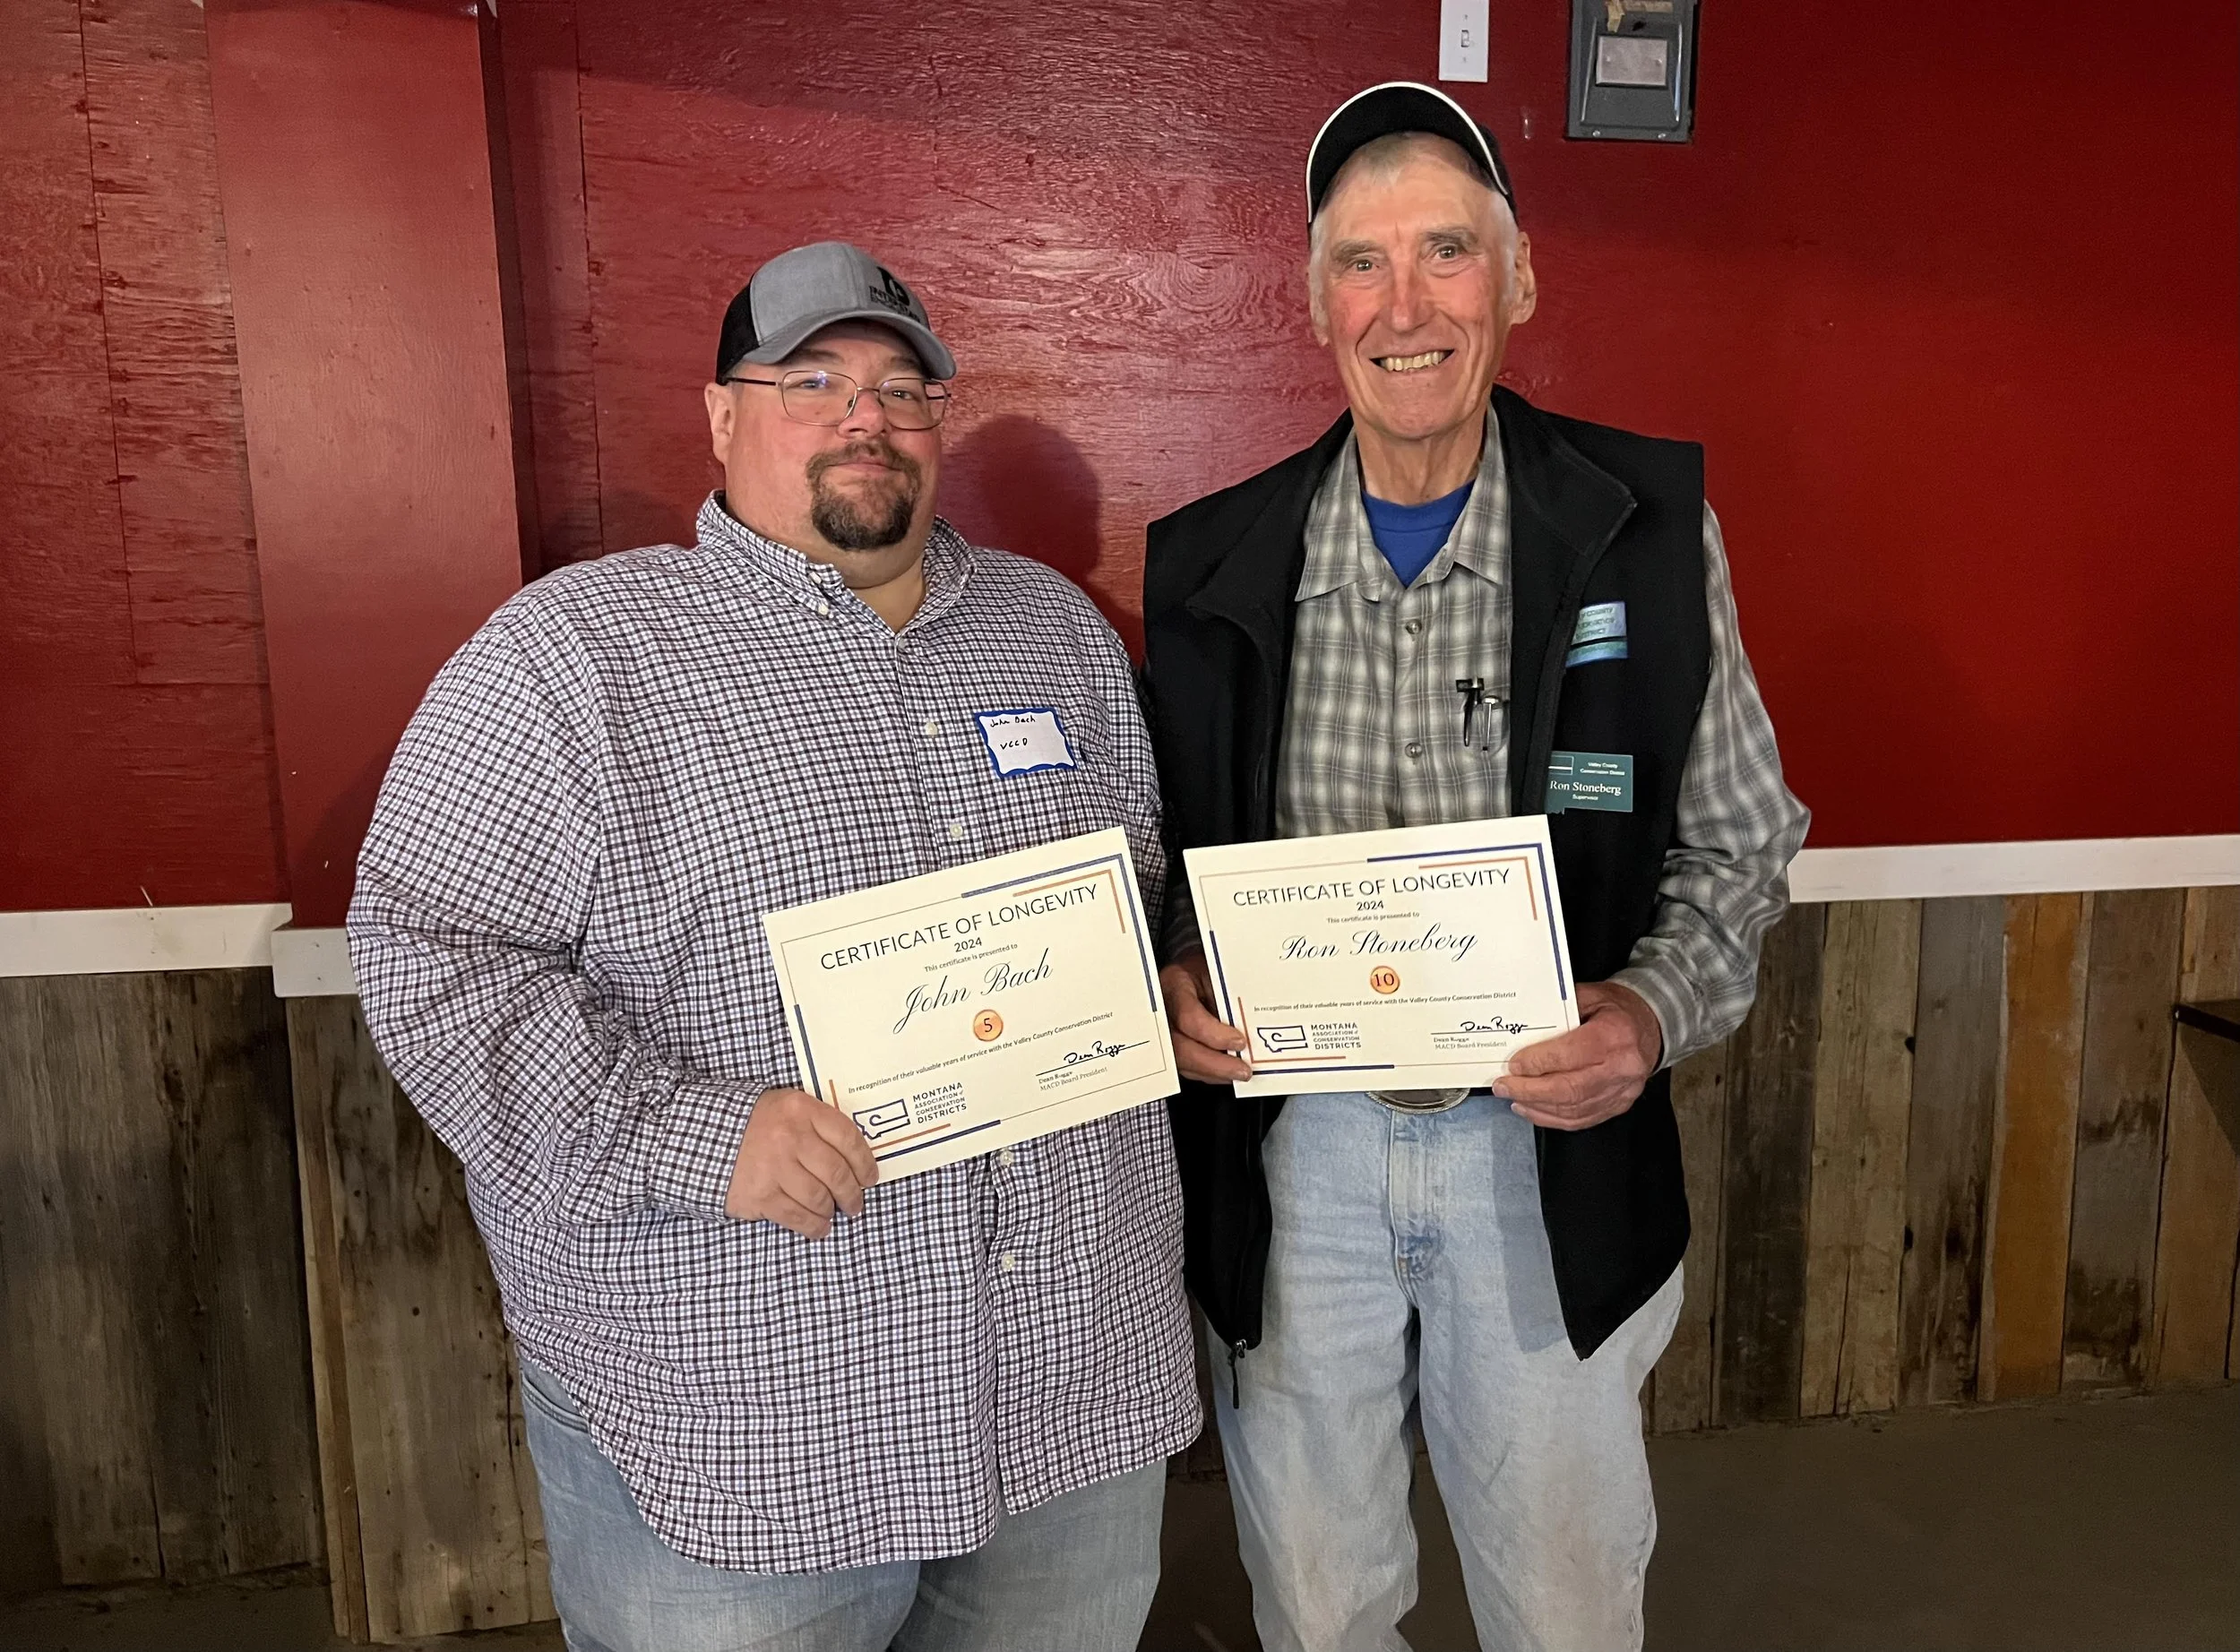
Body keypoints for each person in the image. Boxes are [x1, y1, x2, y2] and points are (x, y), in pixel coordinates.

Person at [348, 239, 1196, 1652]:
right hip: (757, 1433)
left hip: (1069, 1394)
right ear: (723, 416)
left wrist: (1159, 978)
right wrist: (697, 1135)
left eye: (903, 386)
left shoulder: (1055, 636)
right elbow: (433, 954)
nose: (867, 416)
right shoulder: (571, 660)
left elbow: (1142, 883)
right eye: (813, 378)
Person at [1144, 83, 1811, 1652]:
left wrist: (1643, 1018)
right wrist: (1172, 974)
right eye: (1361, 264)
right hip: (1300, 1156)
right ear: (1315, 306)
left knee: (1566, 1603)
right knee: (1316, 1602)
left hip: (1544, 1150)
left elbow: (1741, 838)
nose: (1406, 304)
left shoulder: (1643, 531)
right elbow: (1168, 864)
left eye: (1449, 251)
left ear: (1518, 281)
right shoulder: (1209, 560)